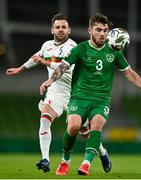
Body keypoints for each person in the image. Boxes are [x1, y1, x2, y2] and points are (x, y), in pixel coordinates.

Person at [40, 12, 141, 176]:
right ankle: (65, 160)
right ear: (90, 30)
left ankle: (86, 164)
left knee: (96, 126)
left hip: (101, 100)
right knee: (73, 127)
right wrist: (50, 81)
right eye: (98, 30)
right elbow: (63, 67)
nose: (102, 34)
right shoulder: (80, 49)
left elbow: (128, 72)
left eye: (105, 30)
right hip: (79, 97)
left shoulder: (114, 51)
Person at [6, 13, 111, 173]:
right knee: (45, 118)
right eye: (58, 27)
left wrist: (46, 63)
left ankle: (102, 152)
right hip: (55, 93)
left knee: (84, 131)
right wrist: (20, 69)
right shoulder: (47, 45)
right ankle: (45, 159)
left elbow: (65, 67)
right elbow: (36, 58)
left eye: (64, 27)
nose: (61, 30)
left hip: (75, 95)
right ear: (52, 30)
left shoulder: (74, 47)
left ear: (69, 30)